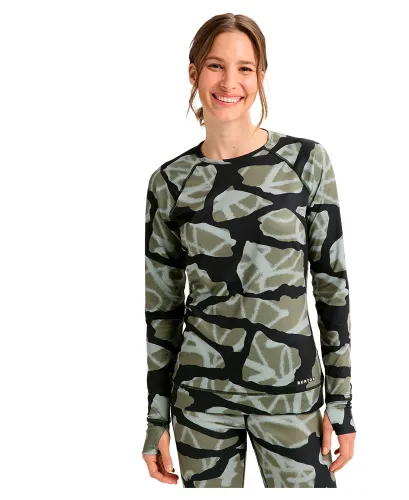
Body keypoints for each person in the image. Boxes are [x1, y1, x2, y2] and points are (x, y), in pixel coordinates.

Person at [141, 13, 357, 488]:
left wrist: (340, 404)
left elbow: (332, 289)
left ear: (260, 76)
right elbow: (161, 311)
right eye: (215, 66)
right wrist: (157, 419)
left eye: (244, 68)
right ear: (194, 73)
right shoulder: (170, 182)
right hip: (200, 403)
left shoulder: (306, 162)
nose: (229, 82)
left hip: (292, 398)